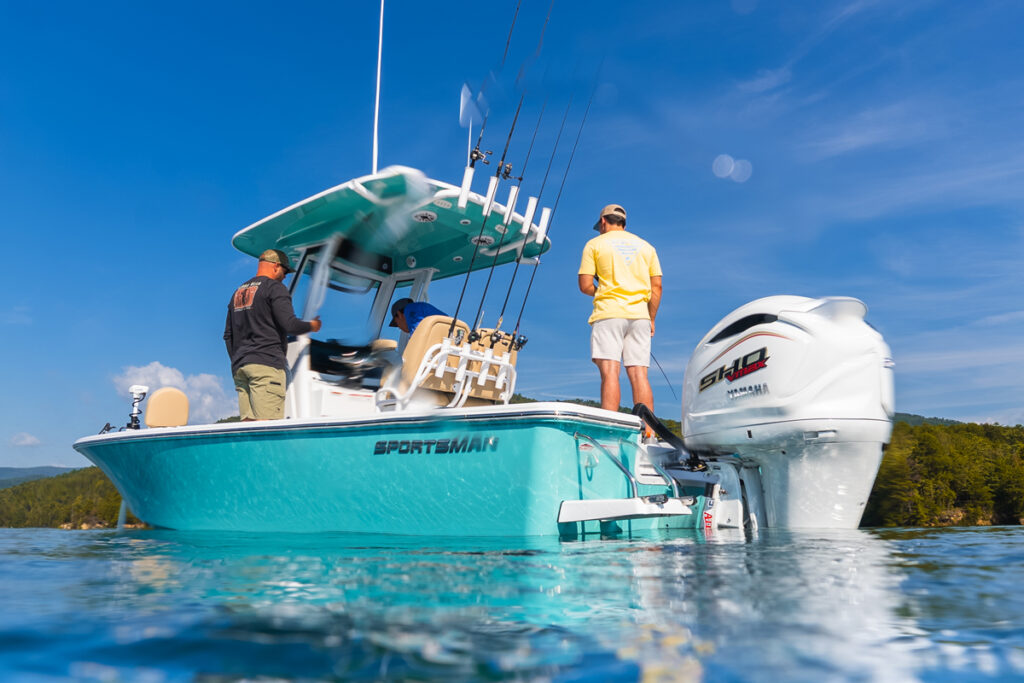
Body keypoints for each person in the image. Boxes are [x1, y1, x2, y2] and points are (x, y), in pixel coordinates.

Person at [578, 203, 662, 415]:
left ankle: (610, 427)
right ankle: (648, 430)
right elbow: (657, 287)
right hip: (640, 317)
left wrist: (603, 291)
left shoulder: (594, 244)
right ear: (623, 223)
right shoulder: (647, 247)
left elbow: (585, 285)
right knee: (639, 374)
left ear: (603, 222)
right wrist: (651, 318)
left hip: (609, 313)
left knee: (610, 372)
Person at [224, 248, 322, 420]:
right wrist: (312, 326)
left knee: (250, 427)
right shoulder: (275, 288)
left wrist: (239, 360)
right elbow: (290, 325)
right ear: (276, 266)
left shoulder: (238, 293)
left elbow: (228, 335)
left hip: (241, 368)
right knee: (268, 426)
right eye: (285, 272)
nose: (285, 277)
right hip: (266, 366)